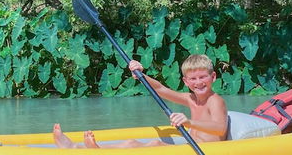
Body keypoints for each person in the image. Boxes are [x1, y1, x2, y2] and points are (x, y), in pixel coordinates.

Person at [53, 54, 228, 148]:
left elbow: (220, 128)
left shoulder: (215, 100)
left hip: (210, 152)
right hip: (193, 147)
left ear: (213, 77)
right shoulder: (191, 99)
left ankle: (92, 150)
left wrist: (189, 122)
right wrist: (140, 74)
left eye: (202, 77)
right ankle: (77, 148)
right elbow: (160, 89)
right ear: (186, 82)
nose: (198, 83)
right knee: (130, 143)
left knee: (155, 144)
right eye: (193, 79)